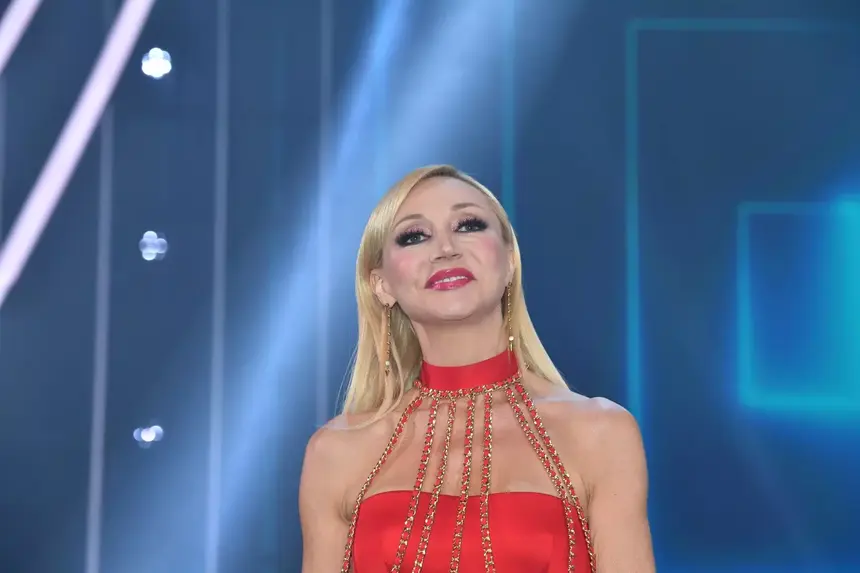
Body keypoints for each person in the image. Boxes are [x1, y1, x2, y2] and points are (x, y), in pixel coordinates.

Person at [299, 165, 655, 572]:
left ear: (509, 262)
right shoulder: (337, 452)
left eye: (468, 225)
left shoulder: (599, 433)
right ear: (381, 285)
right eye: (414, 236)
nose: (445, 248)